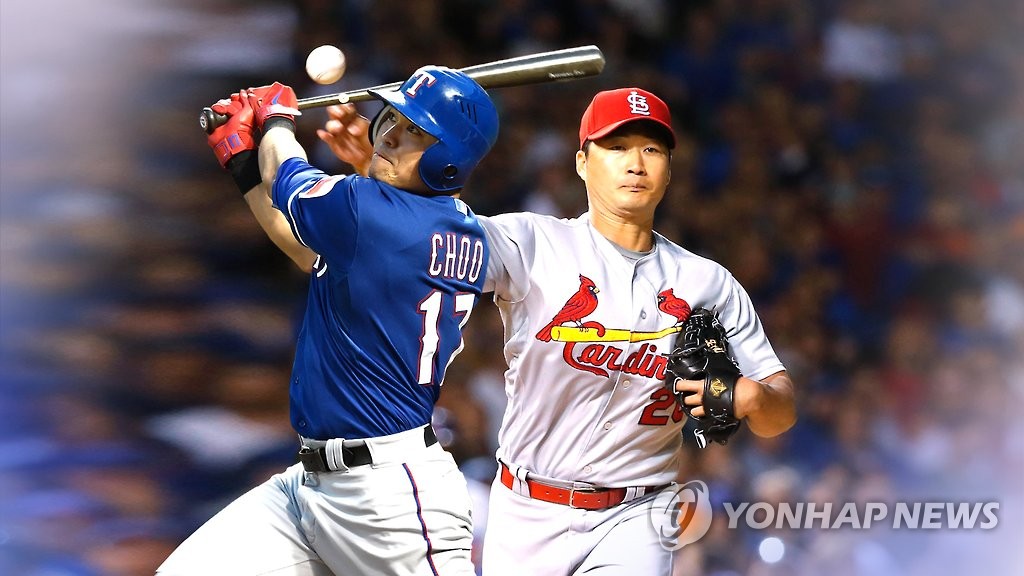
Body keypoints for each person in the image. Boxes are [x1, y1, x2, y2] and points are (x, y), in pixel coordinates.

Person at [279, 87, 797, 575]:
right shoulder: (530, 242)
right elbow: (401, 241)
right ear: (582, 162)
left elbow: (781, 409)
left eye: (651, 150)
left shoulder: (708, 283)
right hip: (525, 507)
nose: (636, 163)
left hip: (638, 511)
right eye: (617, 147)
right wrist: (381, 179)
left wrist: (755, 397)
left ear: (668, 170)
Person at [158, 66, 499, 576]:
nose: (391, 135)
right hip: (311, 484)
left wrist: (276, 119)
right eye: (395, 119)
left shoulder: (373, 212)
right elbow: (304, 250)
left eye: (417, 133)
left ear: (448, 161)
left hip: (392, 498)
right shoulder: (446, 224)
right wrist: (244, 161)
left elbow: (287, 178)